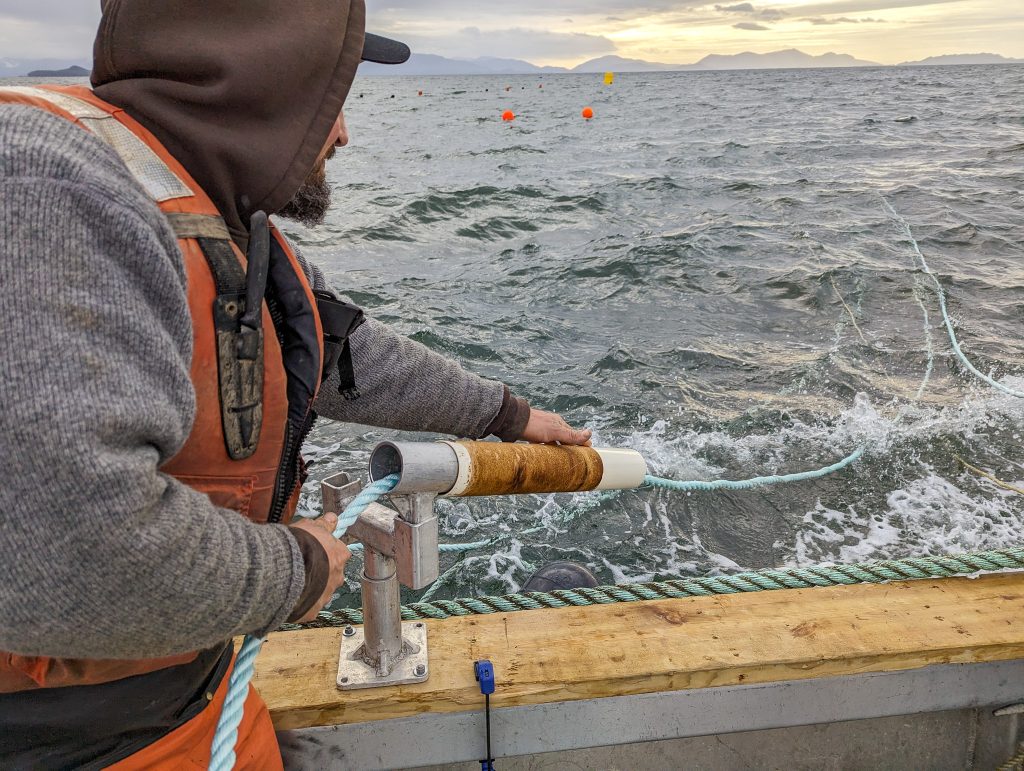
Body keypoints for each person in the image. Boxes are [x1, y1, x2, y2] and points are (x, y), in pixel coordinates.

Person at [0, 1, 592, 767]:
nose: (341, 133)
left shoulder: (212, 213)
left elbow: (336, 348)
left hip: (186, 692)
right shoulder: (45, 188)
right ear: (263, 82)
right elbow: (77, 552)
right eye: (329, 96)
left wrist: (506, 415)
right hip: (64, 737)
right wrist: (300, 568)